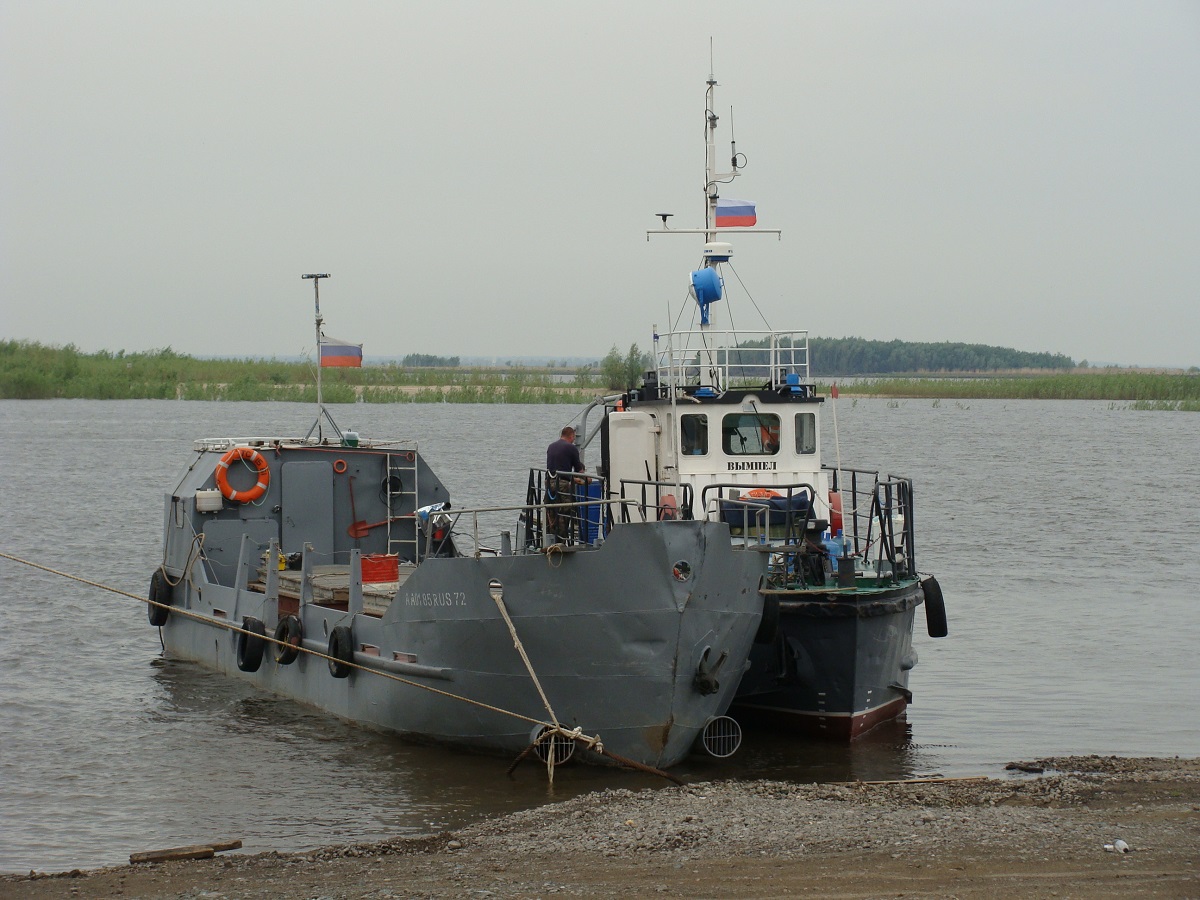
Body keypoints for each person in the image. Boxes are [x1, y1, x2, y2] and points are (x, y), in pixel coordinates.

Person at [545, 426, 584, 541]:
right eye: (573, 438)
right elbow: (579, 470)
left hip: (549, 482)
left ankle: (550, 537)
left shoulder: (551, 446)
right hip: (562, 484)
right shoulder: (571, 448)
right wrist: (586, 479)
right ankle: (562, 538)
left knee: (551, 509)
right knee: (565, 510)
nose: (573, 440)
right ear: (571, 435)